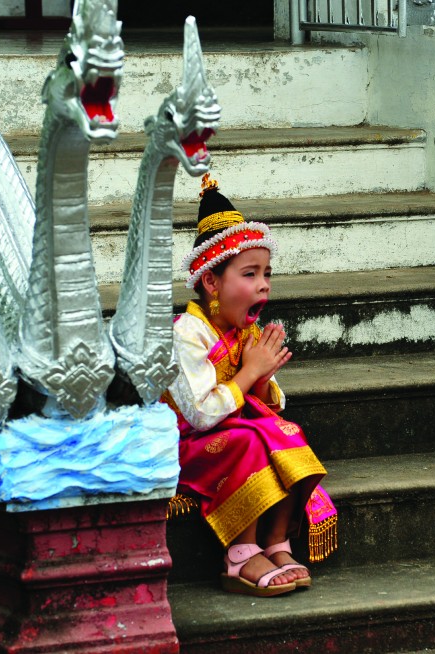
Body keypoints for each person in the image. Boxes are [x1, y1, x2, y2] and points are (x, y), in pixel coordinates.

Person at [163, 174, 337, 596]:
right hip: (187, 442)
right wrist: (248, 372)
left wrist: (259, 375)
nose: (264, 284)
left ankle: (276, 543)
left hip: (235, 431)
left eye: (267, 273)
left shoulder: (245, 333)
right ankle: (239, 553)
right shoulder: (189, 332)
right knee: (246, 440)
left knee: (284, 431)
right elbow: (201, 415)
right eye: (250, 273)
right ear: (211, 283)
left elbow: (268, 406)